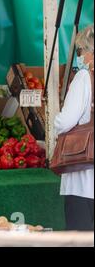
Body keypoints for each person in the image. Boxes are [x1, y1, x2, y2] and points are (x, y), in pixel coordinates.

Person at [54, 24, 94, 231]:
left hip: (84, 177)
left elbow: (66, 121)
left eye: (82, 51)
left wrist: (55, 125)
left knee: (81, 238)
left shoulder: (85, 78)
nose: (81, 56)